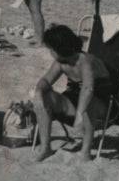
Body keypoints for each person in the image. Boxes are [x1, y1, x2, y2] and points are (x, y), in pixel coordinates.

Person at [32, 24, 112, 162]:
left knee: (88, 101)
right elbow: (46, 80)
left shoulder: (86, 61)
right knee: (44, 96)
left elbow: (88, 89)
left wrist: (80, 114)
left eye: (51, 49)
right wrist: (38, 91)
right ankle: (46, 148)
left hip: (100, 106)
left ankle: (85, 153)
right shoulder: (61, 62)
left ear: (59, 48)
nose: (50, 52)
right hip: (75, 102)